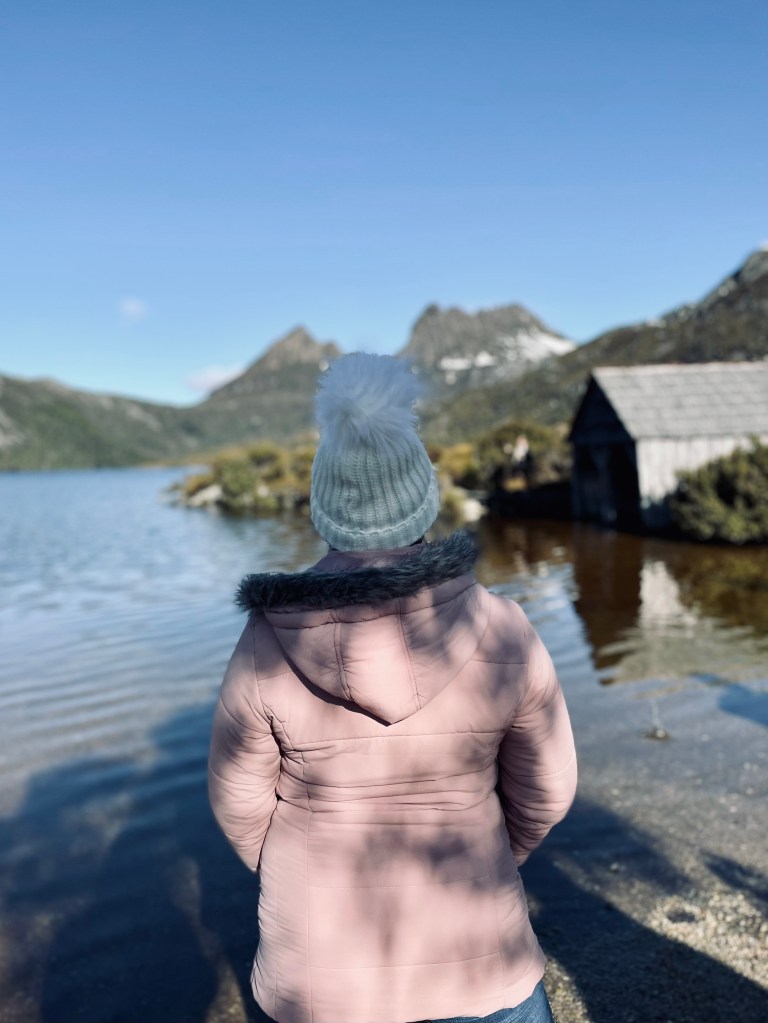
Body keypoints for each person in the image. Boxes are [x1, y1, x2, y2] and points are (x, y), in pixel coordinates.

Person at [208, 353, 577, 1023]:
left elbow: (238, 806)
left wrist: (298, 869)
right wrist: (491, 847)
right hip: (481, 960)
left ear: (323, 507)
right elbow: (547, 790)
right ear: (424, 496)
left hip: (317, 982)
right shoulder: (505, 629)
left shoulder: (266, 640)